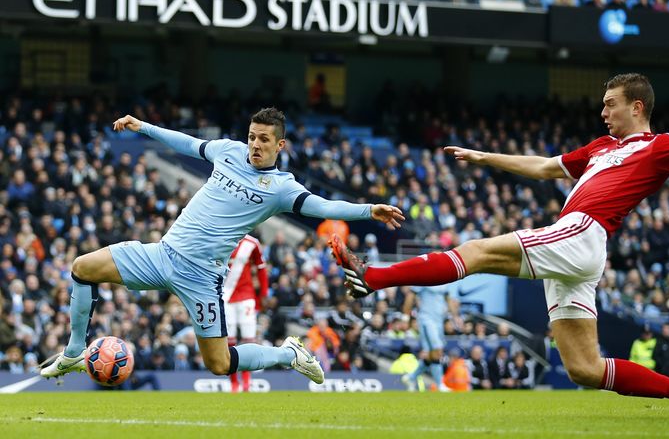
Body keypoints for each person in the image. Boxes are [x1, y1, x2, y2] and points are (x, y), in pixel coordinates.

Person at [331, 73, 669, 419]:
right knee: (585, 369)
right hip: (578, 252)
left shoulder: (660, 146)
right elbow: (545, 167)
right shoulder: (597, 148)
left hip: (583, 230)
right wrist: (483, 156)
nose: (603, 113)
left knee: (474, 252)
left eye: (610, 105)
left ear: (637, 106)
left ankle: (371, 278)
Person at [40, 107, 405, 385]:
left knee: (219, 364)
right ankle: (74, 352)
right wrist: (144, 127)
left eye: (264, 139)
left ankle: (287, 353)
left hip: (201, 278)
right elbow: (188, 143)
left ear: (280, 145)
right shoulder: (228, 151)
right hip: (161, 255)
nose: (255, 145)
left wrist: (367, 209)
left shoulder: (282, 188)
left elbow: (324, 206)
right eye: (252, 136)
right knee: (82, 267)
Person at [224, 234, 269, 393]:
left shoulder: (251, 243)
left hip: (246, 296)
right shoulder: (221, 239)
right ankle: (234, 382)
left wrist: (263, 294)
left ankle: (247, 382)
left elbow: (261, 268)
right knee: (230, 341)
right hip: (226, 296)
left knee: (249, 339)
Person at [401, 284, 460, 391]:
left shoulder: (445, 280)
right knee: (437, 351)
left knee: (431, 355)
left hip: (439, 322)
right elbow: (410, 296)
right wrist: (405, 317)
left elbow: (448, 299)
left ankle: (411, 377)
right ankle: (440, 385)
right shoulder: (423, 276)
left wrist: (456, 317)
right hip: (426, 320)